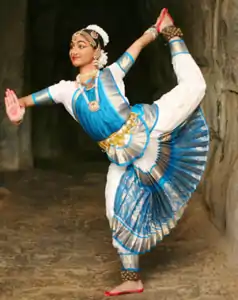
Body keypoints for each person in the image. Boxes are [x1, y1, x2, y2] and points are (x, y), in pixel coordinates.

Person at [4, 8, 209, 297]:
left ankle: (175, 35)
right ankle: (131, 277)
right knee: (115, 212)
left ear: (97, 51)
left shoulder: (112, 74)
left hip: (149, 130)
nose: (74, 50)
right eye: (72, 46)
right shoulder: (67, 91)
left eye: (81, 45)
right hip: (121, 159)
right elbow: (33, 99)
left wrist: (158, 31)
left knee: (195, 87)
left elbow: (134, 49)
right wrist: (18, 109)